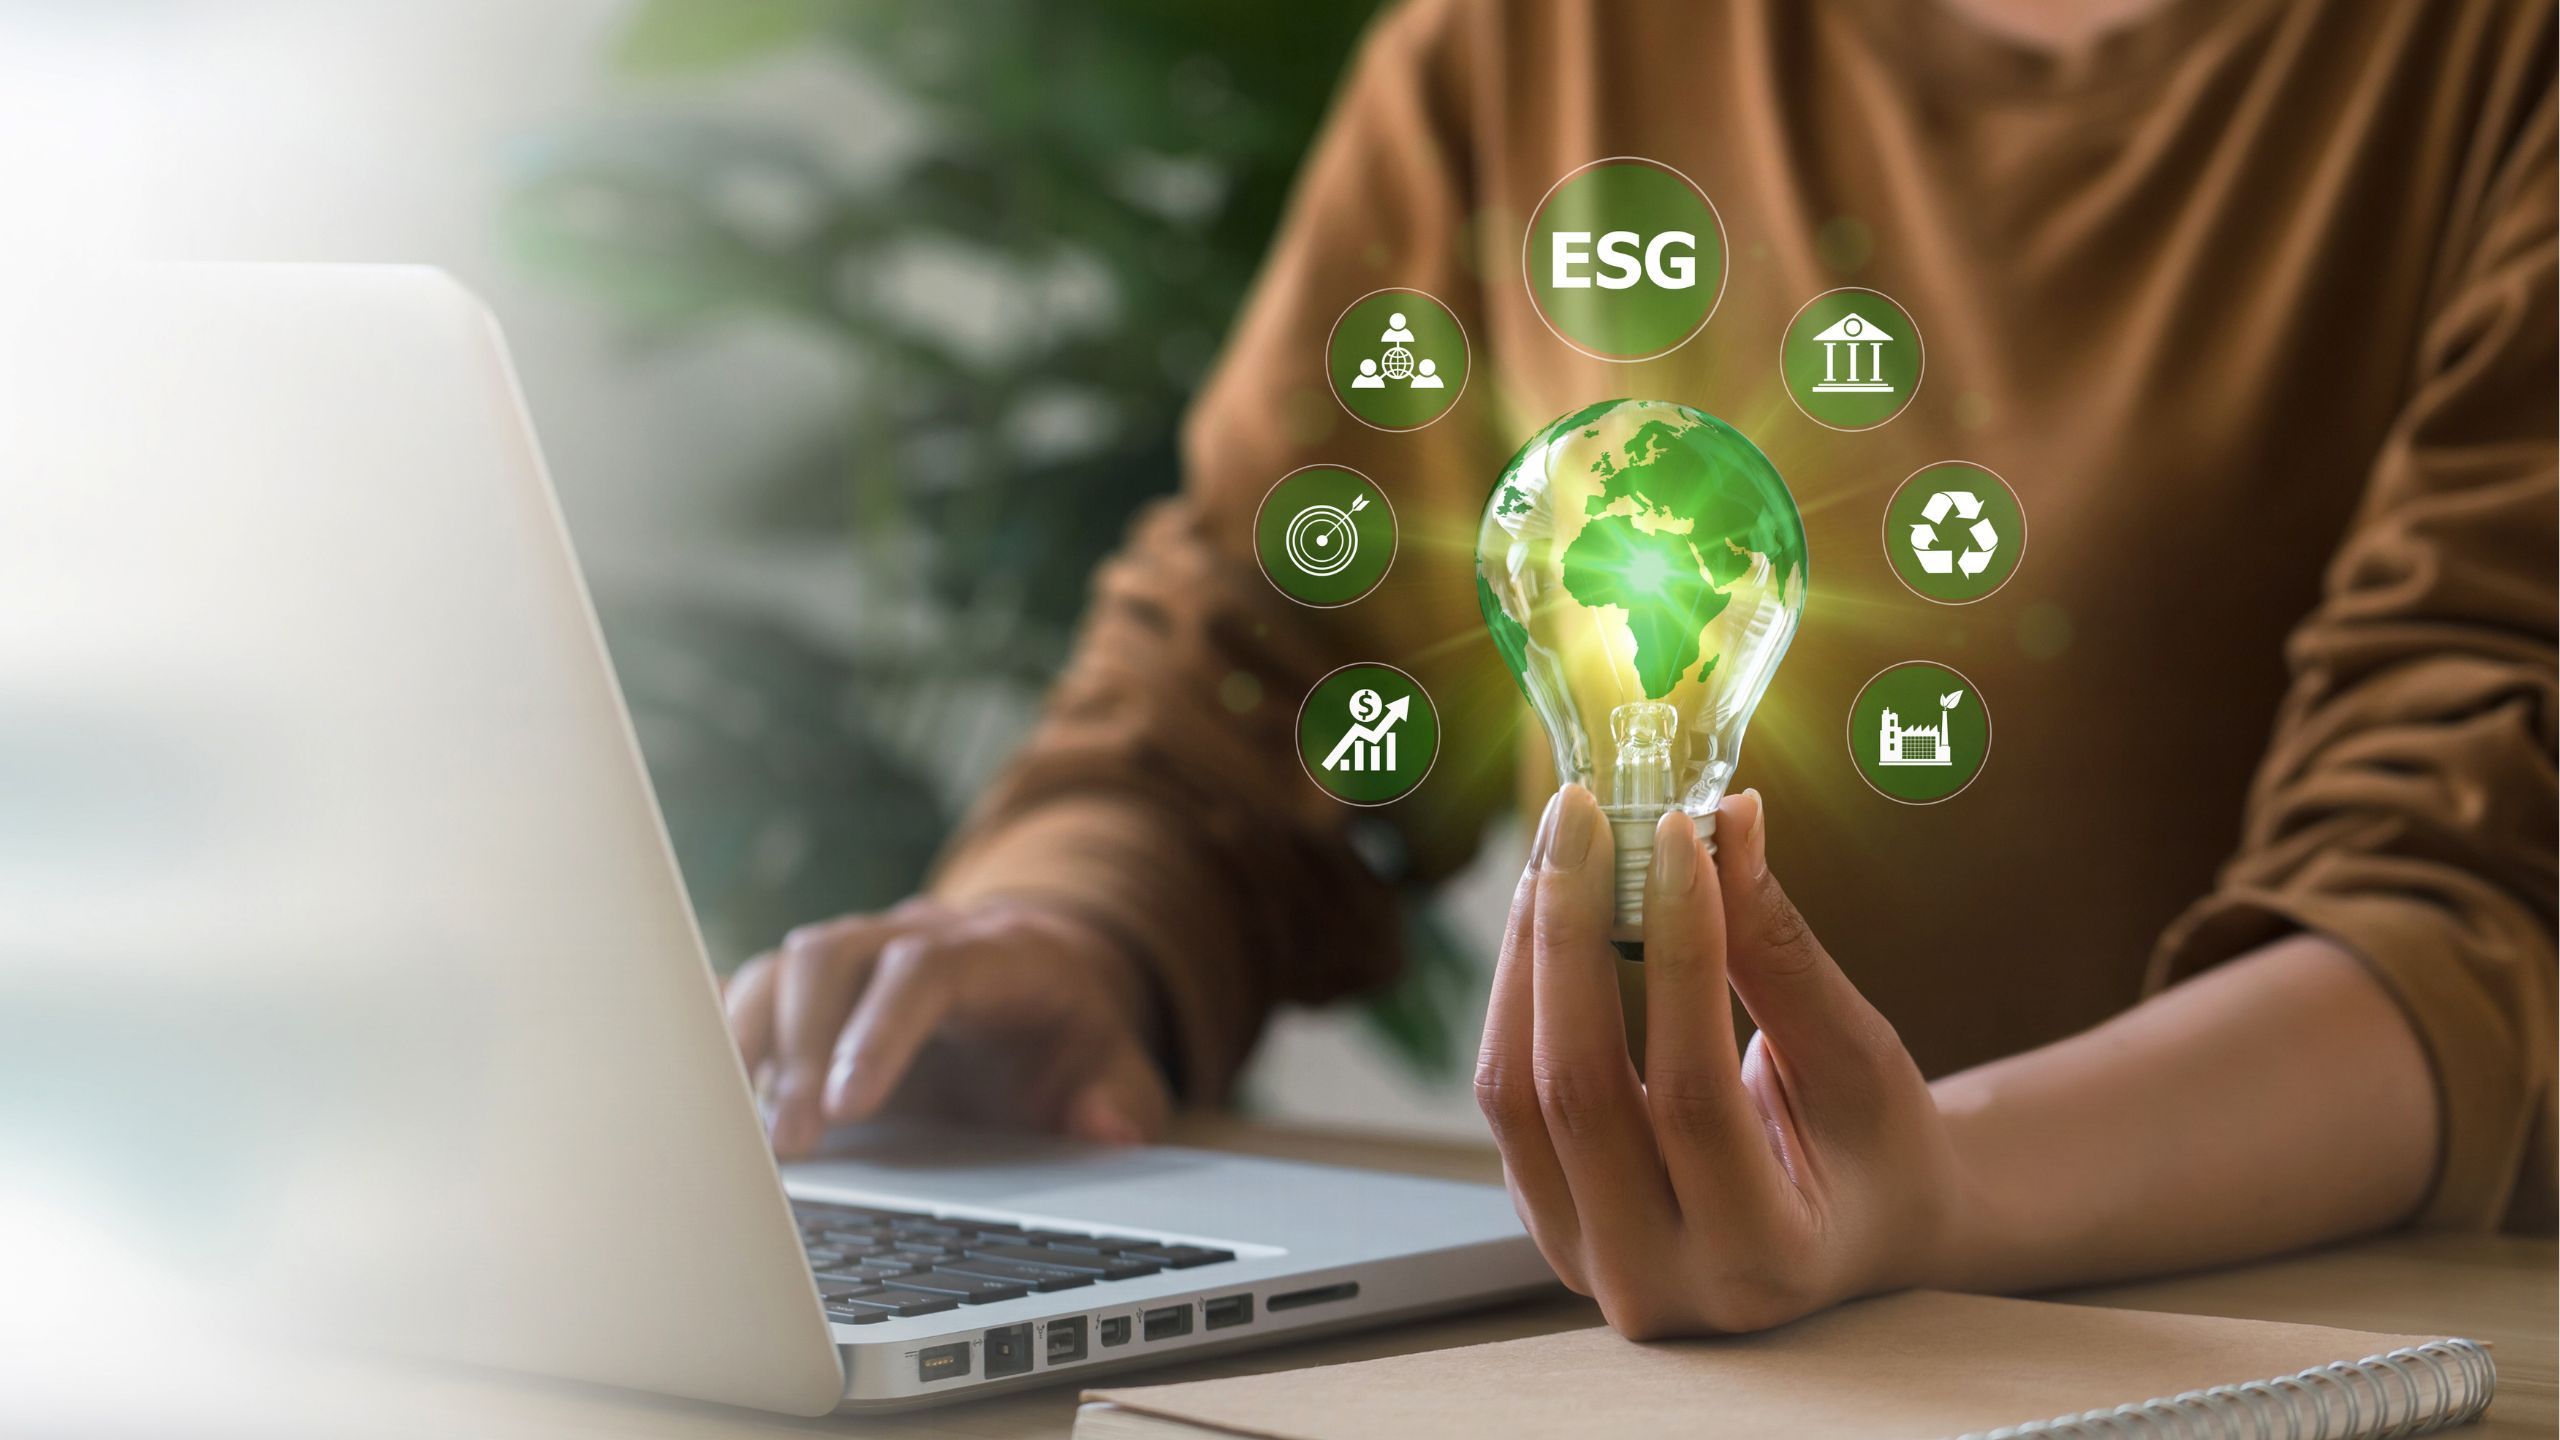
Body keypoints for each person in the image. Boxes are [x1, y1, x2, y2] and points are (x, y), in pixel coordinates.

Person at [722, 0, 2556, 1337]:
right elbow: (1258, 661)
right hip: (1665, 1380)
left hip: (2296, 1354)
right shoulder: (1527, 41)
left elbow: (2478, 887)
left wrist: (1934, 1190)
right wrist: (1067, 930)